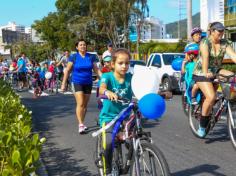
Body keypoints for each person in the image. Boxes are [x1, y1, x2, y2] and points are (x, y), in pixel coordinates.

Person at [193, 22, 236, 137]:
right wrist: (206, 72)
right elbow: (205, 58)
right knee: (211, 97)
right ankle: (202, 126)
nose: (221, 34)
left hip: (216, 70)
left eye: (222, 31)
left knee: (233, 77)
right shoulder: (205, 42)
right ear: (212, 31)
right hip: (202, 72)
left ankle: (226, 102)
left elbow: (233, 56)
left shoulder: (224, 43)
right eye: (219, 31)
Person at [99, 48, 132, 175]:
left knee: (135, 139)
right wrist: (107, 92)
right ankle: (107, 169)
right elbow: (102, 88)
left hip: (126, 116)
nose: (124, 66)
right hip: (109, 117)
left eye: (127, 63)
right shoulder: (107, 76)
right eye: (120, 63)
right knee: (108, 142)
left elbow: (142, 86)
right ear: (113, 64)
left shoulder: (130, 77)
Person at [61, 39, 102, 134]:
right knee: (80, 103)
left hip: (88, 82)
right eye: (81, 45)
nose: (83, 46)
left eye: (84, 45)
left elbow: (96, 70)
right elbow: (67, 70)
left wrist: (104, 79)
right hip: (77, 82)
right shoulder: (74, 57)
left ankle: (82, 123)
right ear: (77, 47)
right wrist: (63, 83)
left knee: (85, 105)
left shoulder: (91, 57)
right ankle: (80, 124)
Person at [181, 27, 202, 104]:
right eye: (196, 35)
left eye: (199, 35)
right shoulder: (189, 46)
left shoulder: (203, 44)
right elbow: (187, 58)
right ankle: (189, 94)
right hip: (193, 68)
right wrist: (187, 61)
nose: (198, 36)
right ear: (193, 36)